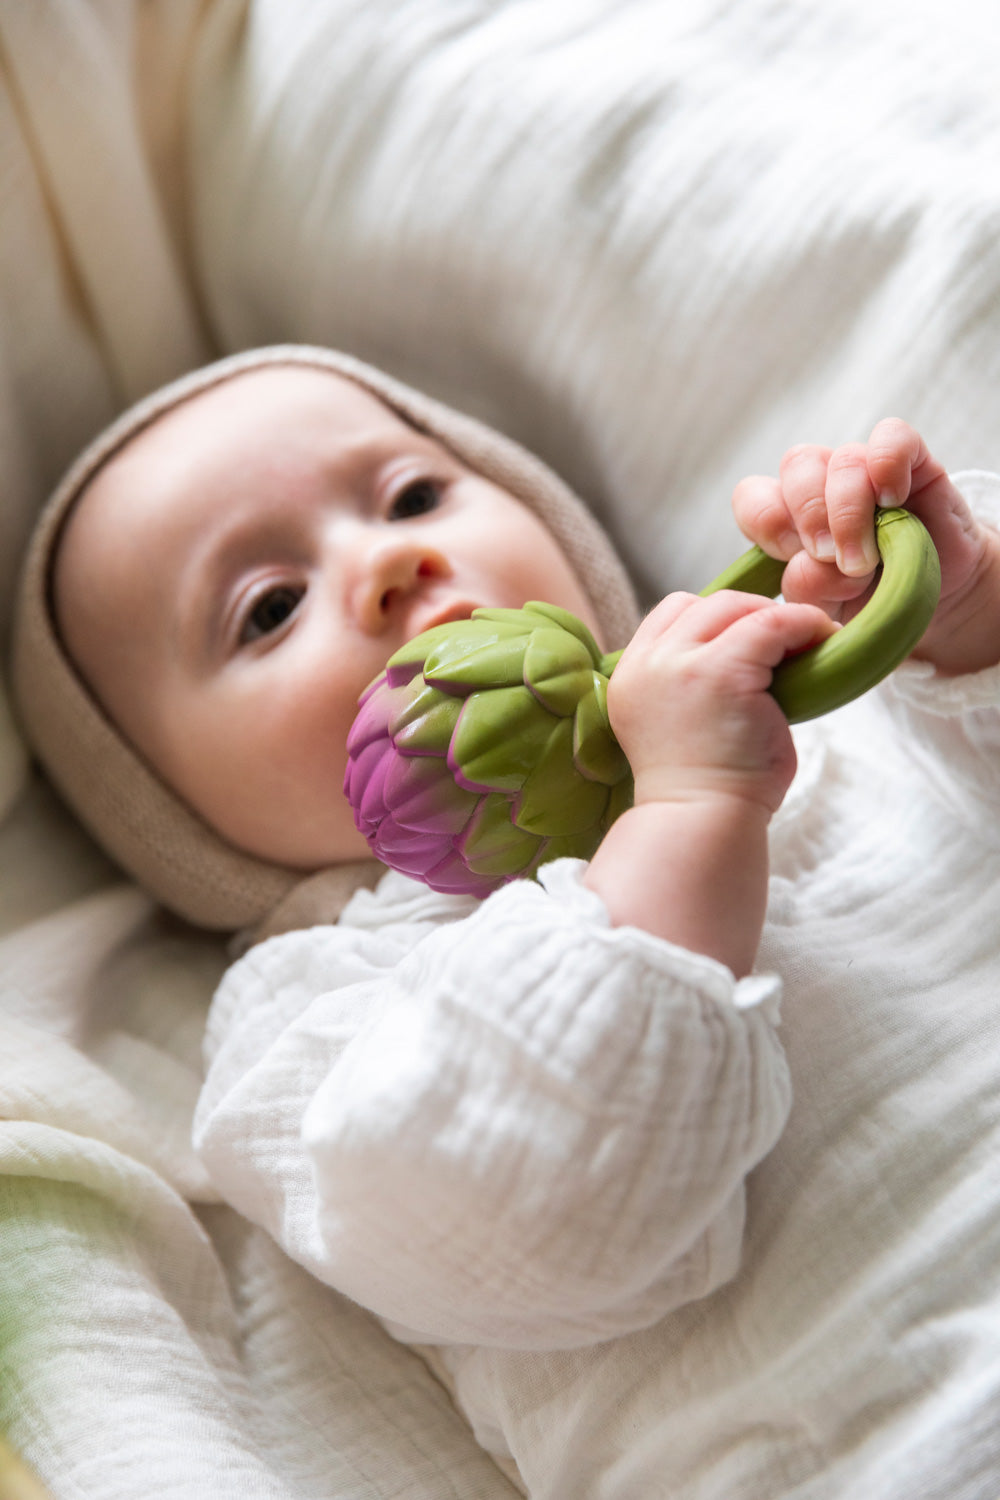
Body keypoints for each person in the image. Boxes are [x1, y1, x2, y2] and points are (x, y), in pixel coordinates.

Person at [11, 345, 1000, 1499]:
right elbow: (536, 1203)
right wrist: (687, 811)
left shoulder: (822, 715)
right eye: (267, 609)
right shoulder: (316, 1012)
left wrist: (965, 625)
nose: (389, 560)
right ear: (181, 819)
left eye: (413, 496)